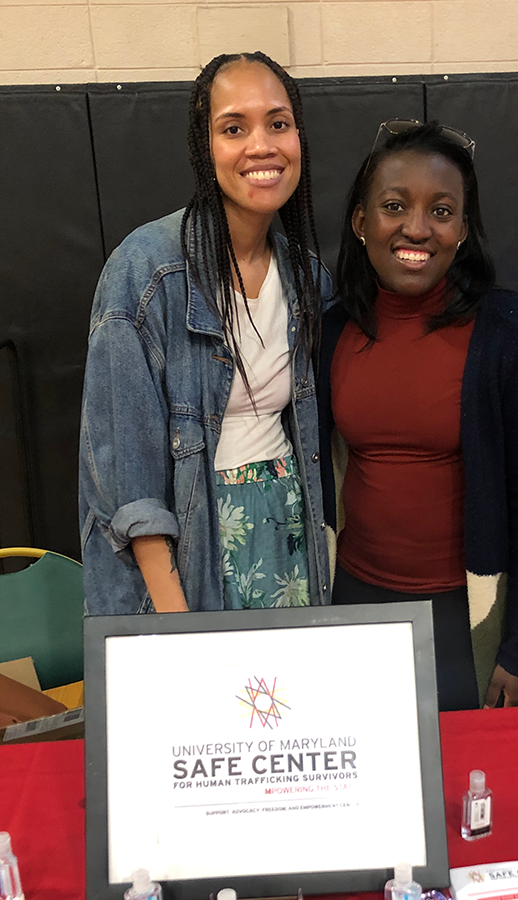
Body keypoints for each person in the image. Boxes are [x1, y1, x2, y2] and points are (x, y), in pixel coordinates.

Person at [319, 120, 518, 710]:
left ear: (462, 230)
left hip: (464, 616)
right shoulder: (330, 330)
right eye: (393, 205)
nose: (416, 228)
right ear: (361, 222)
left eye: (442, 210)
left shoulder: (514, 336)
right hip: (353, 599)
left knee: (466, 790)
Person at [80, 51, 331, 616]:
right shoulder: (145, 273)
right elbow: (128, 484)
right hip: (192, 550)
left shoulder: (308, 276)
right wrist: (178, 623)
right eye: (233, 128)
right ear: (204, 146)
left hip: (288, 532)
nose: (261, 145)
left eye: (278, 122)